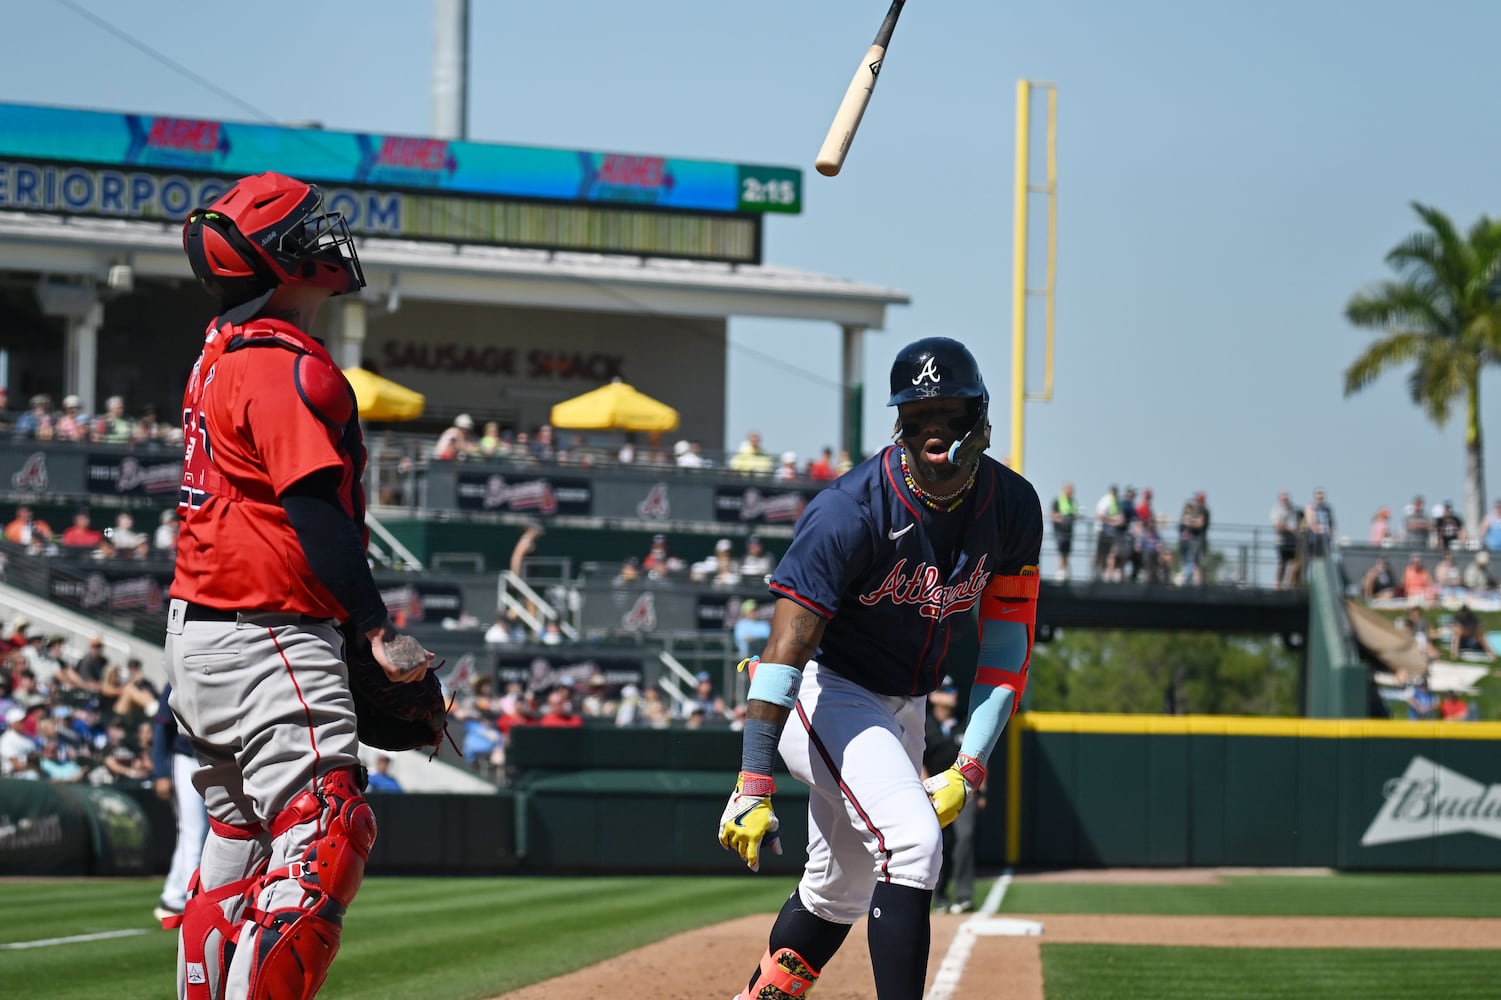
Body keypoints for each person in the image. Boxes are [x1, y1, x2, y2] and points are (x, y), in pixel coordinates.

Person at [165, 172, 436, 1000]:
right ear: (281, 258)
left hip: (199, 634)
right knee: (326, 829)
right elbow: (313, 511)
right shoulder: (288, 364)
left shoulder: (220, 346)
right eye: (309, 228)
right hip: (269, 628)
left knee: (237, 846)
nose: (328, 237)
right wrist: (374, 629)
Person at [717, 337, 1042, 1000]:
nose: (934, 431)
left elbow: (1006, 647)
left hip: (905, 705)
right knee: (915, 847)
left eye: (950, 416)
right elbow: (784, 653)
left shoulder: (1011, 506)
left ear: (980, 421)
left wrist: (969, 766)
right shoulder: (849, 511)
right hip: (825, 689)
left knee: (838, 893)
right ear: (899, 424)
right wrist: (753, 778)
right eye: (918, 416)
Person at [923, 679, 983, 915]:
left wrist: (981, 790)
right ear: (933, 696)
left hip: (963, 791)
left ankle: (964, 896)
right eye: (945, 690)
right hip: (933, 793)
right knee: (938, 844)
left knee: (965, 837)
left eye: (953, 689)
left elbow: (977, 758)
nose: (952, 694)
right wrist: (925, 789)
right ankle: (939, 897)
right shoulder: (925, 724)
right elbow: (918, 759)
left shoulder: (964, 725)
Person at [151, 683, 209, 925]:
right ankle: (192, 905)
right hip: (186, 758)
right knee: (194, 835)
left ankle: (172, 898)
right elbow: (162, 727)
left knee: (195, 835)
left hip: (214, 759)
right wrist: (161, 771)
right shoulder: (178, 675)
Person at [1176, 492, 1210, 586]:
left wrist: (1190, 522)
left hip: (1199, 540)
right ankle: (1193, 583)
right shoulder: (1198, 510)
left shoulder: (1203, 510)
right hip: (1193, 540)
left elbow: (1200, 523)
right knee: (1191, 562)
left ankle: (1199, 584)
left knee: (1197, 563)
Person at [1271, 491, 1301, 589]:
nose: (1286, 500)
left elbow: (1296, 524)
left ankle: (1290, 585)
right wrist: (1289, 529)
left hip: (1293, 542)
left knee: (1294, 564)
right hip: (1282, 541)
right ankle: (1278, 585)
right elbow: (1277, 525)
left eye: (1287, 498)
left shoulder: (1293, 510)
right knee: (1283, 563)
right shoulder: (1276, 510)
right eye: (1284, 498)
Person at [1050, 481, 1078, 582]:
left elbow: (1074, 514)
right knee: (1062, 551)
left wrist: (1075, 518)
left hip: (1069, 531)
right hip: (1060, 530)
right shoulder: (1058, 500)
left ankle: (1065, 571)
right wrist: (1062, 519)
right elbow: (1053, 515)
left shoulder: (1072, 501)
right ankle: (1060, 572)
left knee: (1067, 552)